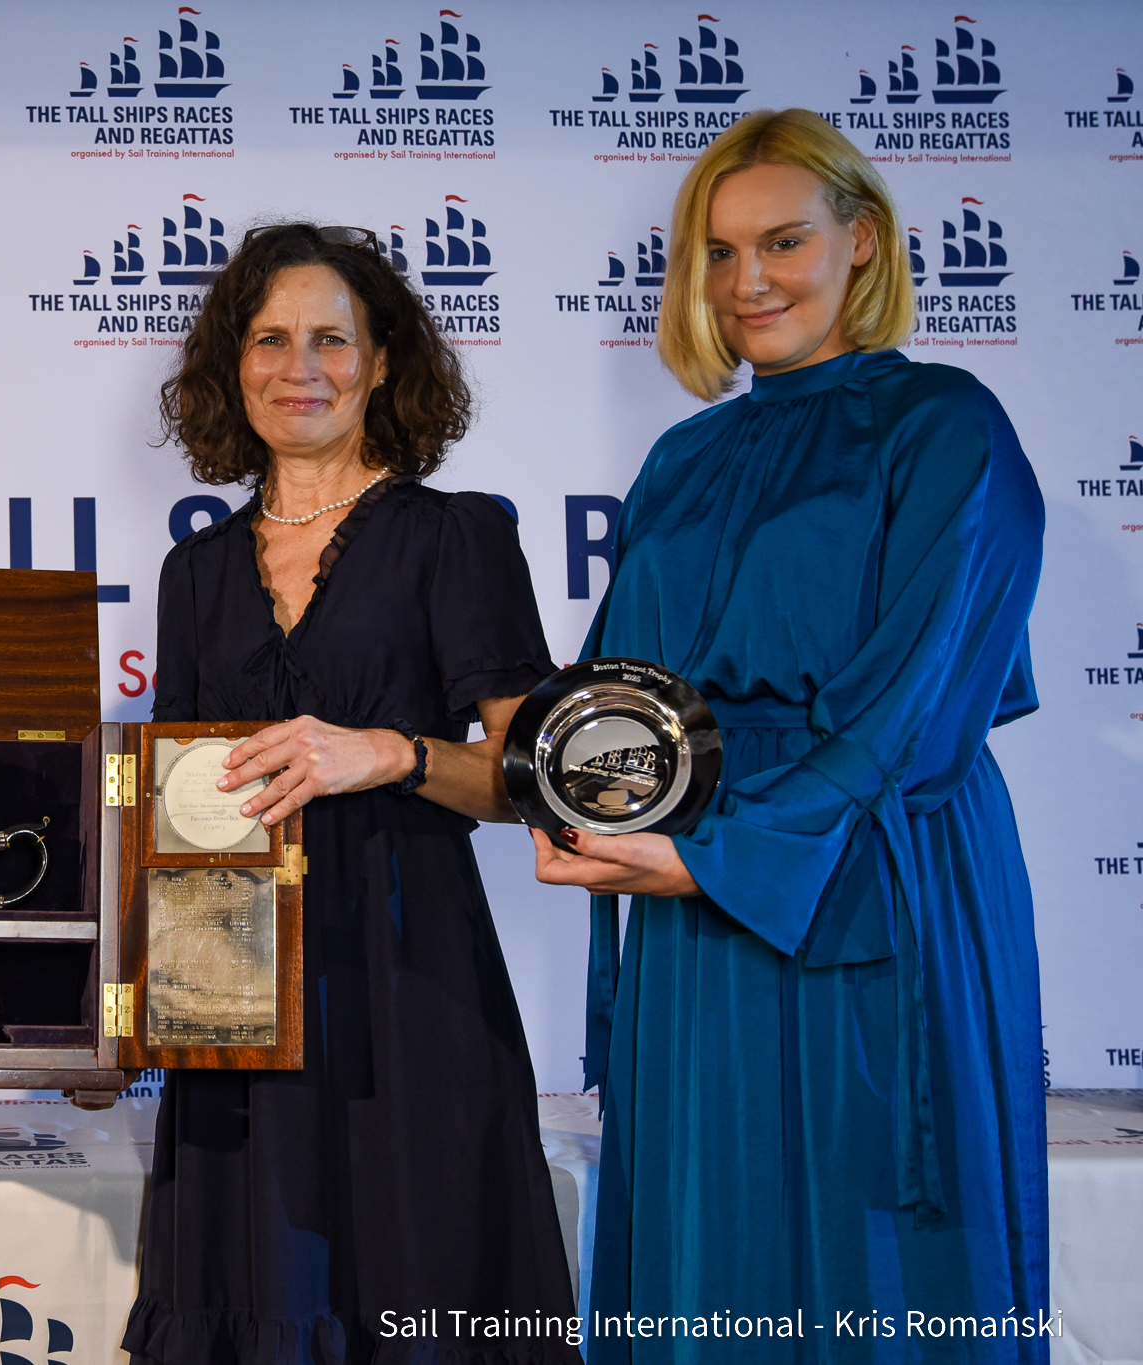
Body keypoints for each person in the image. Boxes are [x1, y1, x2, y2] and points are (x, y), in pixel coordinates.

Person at [534, 109, 1047, 1361]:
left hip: (869, 864)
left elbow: (912, 707)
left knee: (871, 1255)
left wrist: (720, 853)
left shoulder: (945, 422)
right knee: (707, 1240)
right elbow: (621, 690)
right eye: (717, 252)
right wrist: (571, 805)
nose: (746, 281)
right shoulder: (682, 455)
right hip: (691, 879)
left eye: (781, 242)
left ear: (858, 241)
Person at [124, 223, 581, 1365]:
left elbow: (533, 782)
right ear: (233, 366)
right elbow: (173, 815)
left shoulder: (457, 537)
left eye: (332, 339)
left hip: (409, 978)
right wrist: (118, 1010)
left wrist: (389, 753)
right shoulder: (193, 572)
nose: (302, 367)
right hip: (233, 1000)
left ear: (380, 362)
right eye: (270, 340)